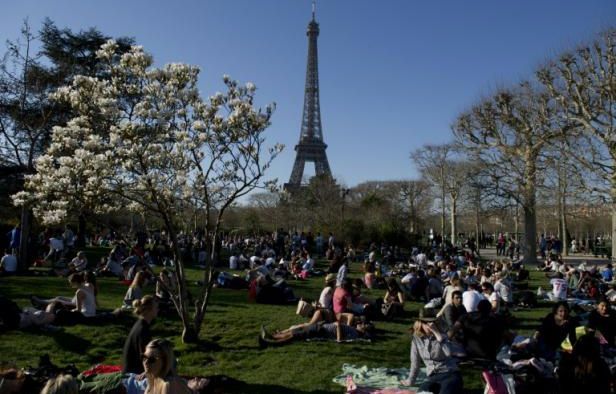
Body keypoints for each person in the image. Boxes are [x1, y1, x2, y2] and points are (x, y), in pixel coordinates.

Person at [401, 309, 463, 394]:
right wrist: (410, 380)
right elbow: (415, 362)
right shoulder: (416, 339)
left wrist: (438, 336)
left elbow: (449, 353)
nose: (429, 326)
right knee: (423, 392)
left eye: (432, 322)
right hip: (432, 377)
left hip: (450, 374)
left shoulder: (442, 336)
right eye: (426, 323)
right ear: (420, 323)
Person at [259, 321, 374, 347]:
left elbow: (338, 326)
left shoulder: (354, 333)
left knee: (295, 335)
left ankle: (271, 344)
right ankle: (272, 337)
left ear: (364, 331)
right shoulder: (353, 329)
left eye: (364, 325)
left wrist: (339, 339)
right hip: (321, 327)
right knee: (295, 332)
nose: (361, 323)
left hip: (322, 331)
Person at [123, 295, 159, 374]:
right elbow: (146, 356)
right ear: (149, 310)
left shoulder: (140, 324)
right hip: (133, 371)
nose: (158, 310)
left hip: (131, 368)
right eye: (156, 307)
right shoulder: (143, 329)